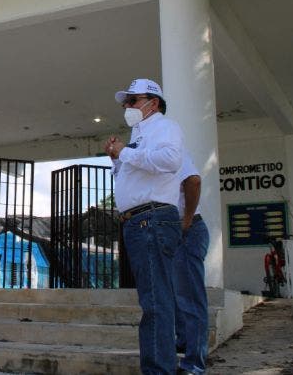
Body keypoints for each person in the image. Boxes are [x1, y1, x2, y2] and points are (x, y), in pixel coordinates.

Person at [105, 78, 184, 375]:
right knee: (152, 300)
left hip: (152, 219)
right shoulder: (138, 133)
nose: (127, 106)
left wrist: (124, 153)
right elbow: (134, 176)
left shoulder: (165, 127)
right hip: (139, 222)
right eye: (126, 102)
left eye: (132, 100)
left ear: (153, 103)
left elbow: (170, 160)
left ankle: (159, 370)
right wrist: (116, 158)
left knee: (155, 301)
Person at [174, 154, 210, 375]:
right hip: (175, 232)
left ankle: (194, 364)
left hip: (188, 231)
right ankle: (185, 341)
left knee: (190, 299)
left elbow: (194, 181)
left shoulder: (176, 153)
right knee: (178, 294)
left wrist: (185, 221)